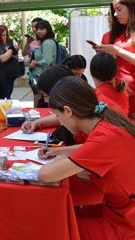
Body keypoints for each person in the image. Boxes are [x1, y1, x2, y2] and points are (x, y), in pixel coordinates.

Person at [38, 77, 135, 240]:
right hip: (117, 210)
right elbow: (90, 149)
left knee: (51, 227)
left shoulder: (104, 139)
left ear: (68, 111)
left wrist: (59, 160)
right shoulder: (107, 124)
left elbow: (45, 175)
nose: (59, 122)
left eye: (57, 115)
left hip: (124, 225)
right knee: (61, 213)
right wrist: (59, 152)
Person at [97, 0, 135, 118]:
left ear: (131, 7)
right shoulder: (116, 34)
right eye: (114, 10)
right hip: (118, 91)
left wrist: (117, 51)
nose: (114, 14)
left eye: (119, 9)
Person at [29, 19, 57, 107]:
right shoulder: (45, 42)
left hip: (44, 76)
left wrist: (36, 63)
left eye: (42, 29)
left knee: (43, 99)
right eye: (37, 29)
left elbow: (47, 60)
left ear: (47, 29)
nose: (39, 31)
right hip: (43, 75)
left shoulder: (48, 42)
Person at [0, 24, 20, 99]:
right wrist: (11, 49)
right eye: (3, 35)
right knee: (4, 98)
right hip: (3, 77)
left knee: (7, 96)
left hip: (10, 75)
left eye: (5, 35)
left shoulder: (4, 44)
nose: (5, 37)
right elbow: (2, 58)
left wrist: (14, 50)